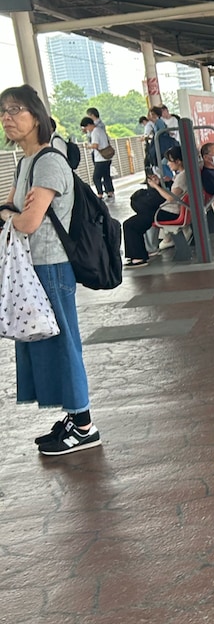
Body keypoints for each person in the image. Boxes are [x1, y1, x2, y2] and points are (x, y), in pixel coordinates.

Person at [0, 85, 101, 454]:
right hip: (33, 268)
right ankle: (73, 417)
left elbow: (26, 222)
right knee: (44, 343)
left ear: (37, 115)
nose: (7, 118)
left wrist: (11, 214)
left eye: (16, 110)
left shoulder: (49, 161)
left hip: (52, 266)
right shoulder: (25, 162)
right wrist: (12, 213)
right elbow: (12, 210)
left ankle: (85, 426)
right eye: (3, 112)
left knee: (64, 344)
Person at [81, 113, 114, 200]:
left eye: (86, 127)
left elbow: (95, 145)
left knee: (96, 177)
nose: (87, 130)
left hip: (100, 158)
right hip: (107, 157)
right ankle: (110, 192)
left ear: (89, 125)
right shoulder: (101, 130)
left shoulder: (95, 132)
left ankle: (100, 194)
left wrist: (87, 146)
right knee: (106, 175)